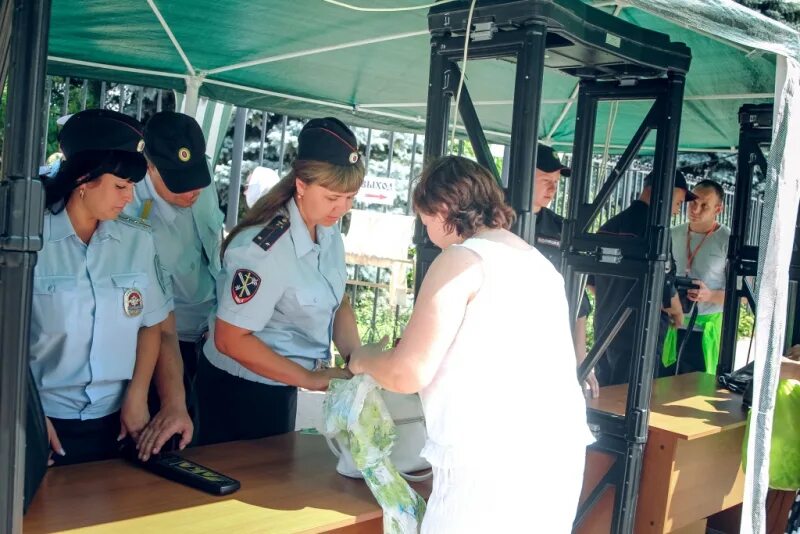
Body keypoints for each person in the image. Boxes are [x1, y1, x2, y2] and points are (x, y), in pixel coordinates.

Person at [349, 156, 592, 534]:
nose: (427, 231)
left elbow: (407, 372)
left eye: (425, 220)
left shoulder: (462, 259)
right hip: (555, 457)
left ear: (443, 209)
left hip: (489, 467)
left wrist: (363, 359)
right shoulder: (542, 266)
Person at [197, 117, 363, 445]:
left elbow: (338, 299)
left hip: (284, 384)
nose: (342, 208)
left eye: (350, 197)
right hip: (239, 391)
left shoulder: (328, 231)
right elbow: (230, 339)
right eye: (332, 197)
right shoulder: (264, 250)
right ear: (301, 185)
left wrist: (356, 359)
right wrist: (310, 379)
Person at [30, 109, 172, 466]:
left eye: (133, 187)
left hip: (119, 422)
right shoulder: (31, 242)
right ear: (83, 178)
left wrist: (137, 395)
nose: (129, 198)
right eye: (120, 186)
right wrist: (25, 412)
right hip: (41, 419)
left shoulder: (137, 240)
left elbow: (150, 325)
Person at [589, 171, 695, 387]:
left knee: (605, 395)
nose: (677, 210)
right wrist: (677, 312)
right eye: (677, 202)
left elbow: (592, 282)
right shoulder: (655, 232)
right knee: (634, 395)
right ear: (659, 192)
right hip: (640, 336)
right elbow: (663, 287)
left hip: (605, 331)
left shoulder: (609, 226)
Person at [533, 144, 598, 397]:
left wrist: (581, 359)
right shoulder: (491, 221)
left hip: (545, 347)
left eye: (556, 182)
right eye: (545, 181)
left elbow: (577, 300)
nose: (553, 189)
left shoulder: (559, 228)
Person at [663, 179, 731, 375]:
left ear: (718, 209)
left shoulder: (728, 240)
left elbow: (742, 296)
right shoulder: (673, 234)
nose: (695, 209)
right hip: (671, 326)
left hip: (706, 332)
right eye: (692, 202)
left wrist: (709, 295)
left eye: (704, 205)